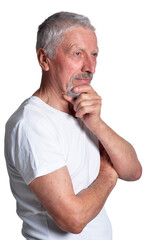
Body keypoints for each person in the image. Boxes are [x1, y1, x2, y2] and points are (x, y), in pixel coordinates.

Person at [4, 11, 142, 240]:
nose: (90, 67)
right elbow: (73, 220)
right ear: (44, 59)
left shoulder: (83, 111)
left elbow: (133, 171)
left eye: (95, 54)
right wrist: (108, 175)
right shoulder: (32, 123)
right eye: (77, 53)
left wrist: (97, 124)